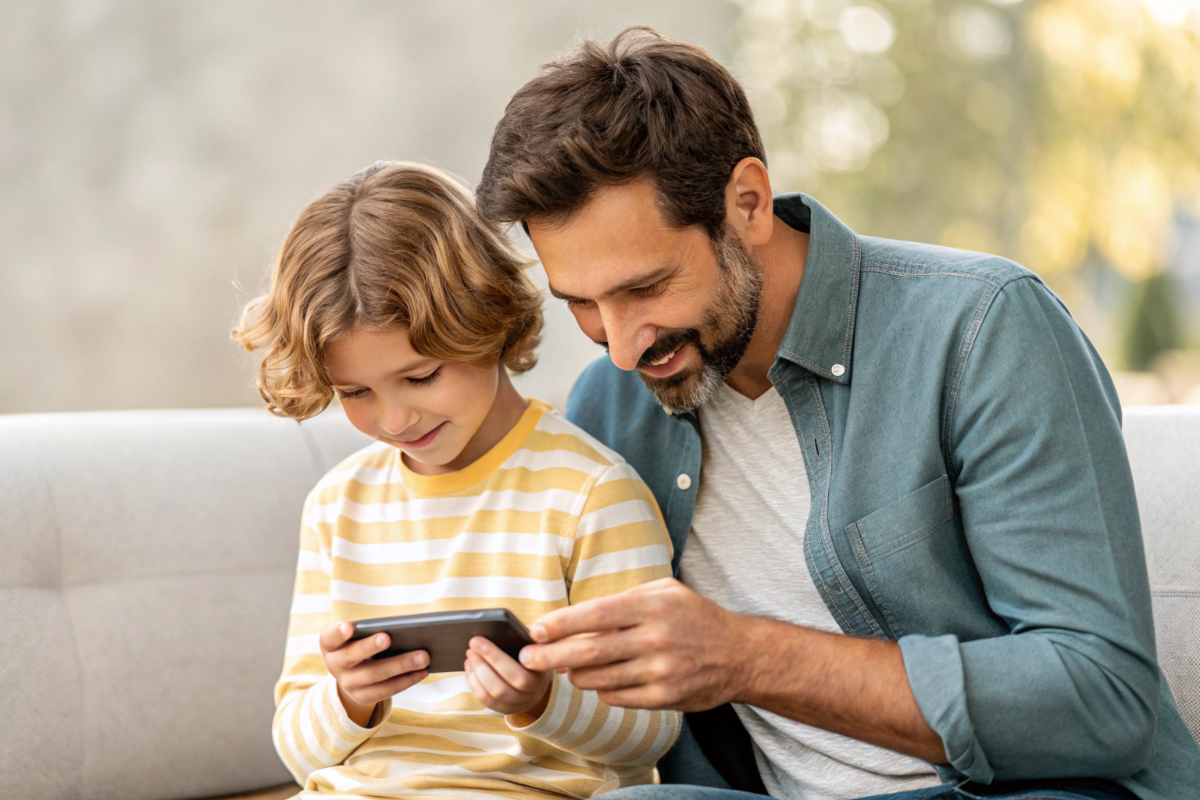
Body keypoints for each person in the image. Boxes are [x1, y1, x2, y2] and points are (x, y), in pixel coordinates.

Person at [474, 27, 1200, 800]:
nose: (619, 348)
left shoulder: (982, 329)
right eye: (582, 303)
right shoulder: (612, 407)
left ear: (746, 203)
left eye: (645, 288)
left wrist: (746, 657)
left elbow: (1102, 697)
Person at [233, 161, 680, 799]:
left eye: (421, 378)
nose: (393, 418)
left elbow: (650, 734)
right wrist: (348, 700)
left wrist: (540, 700)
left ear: (487, 320)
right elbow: (297, 748)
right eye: (355, 391)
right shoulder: (338, 506)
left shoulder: (591, 496)